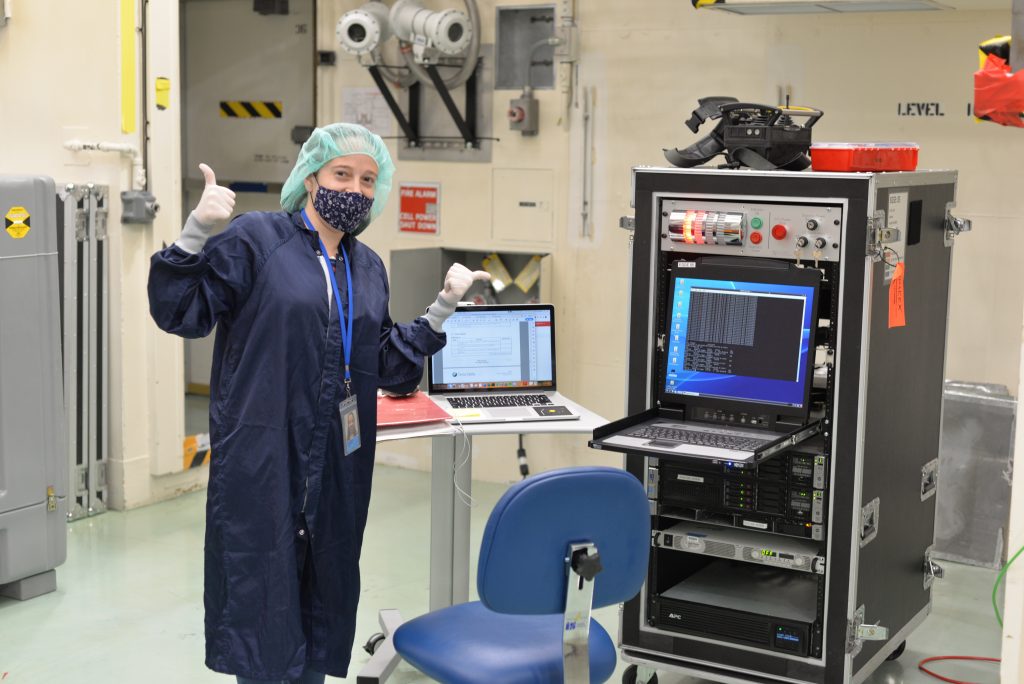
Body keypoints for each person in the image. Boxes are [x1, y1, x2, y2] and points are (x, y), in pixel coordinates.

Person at [148, 123, 489, 683]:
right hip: (263, 454)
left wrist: (443, 308)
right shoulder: (256, 239)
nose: (355, 189)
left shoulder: (368, 267)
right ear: (311, 178)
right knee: (264, 600)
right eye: (342, 174)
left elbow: (391, 367)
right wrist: (194, 232)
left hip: (337, 459)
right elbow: (180, 312)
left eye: (367, 180)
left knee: (323, 592)